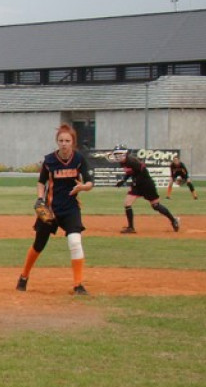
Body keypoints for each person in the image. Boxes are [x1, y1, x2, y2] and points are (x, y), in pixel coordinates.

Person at [16, 124, 94, 295]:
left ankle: (78, 284)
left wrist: (82, 188)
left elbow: (89, 182)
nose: (64, 144)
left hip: (71, 209)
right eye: (61, 141)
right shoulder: (50, 161)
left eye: (68, 141)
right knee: (39, 245)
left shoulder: (79, 159)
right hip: (50, 209)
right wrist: (39, 198)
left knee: (75, 241)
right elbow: (40, 182)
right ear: (57, 142)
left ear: (73, 142)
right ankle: (23, 276)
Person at [111, 145, 180, 233]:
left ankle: (173, 220)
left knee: (156, 206)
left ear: (125, 154)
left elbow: (142, 172)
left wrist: (136, 181)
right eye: (116, 154)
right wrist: (123, 180)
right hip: (137, 185)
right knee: (127, 203)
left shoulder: (132, 161)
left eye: (119, 154)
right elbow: (130, 172)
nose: (117, 156)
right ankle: (131, 228)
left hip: (147, 184)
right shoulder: (123, 162)